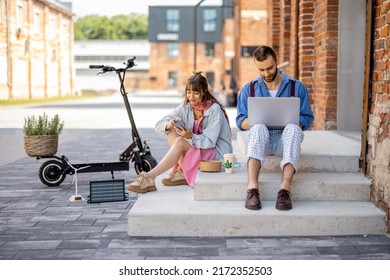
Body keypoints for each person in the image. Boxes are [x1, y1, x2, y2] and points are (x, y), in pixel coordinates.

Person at [236, 45, 314, 211]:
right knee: (257, 128)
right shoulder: (248, 89)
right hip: (260, 142)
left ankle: (284, 190)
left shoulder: (297, 87)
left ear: (277, 62)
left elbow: (307, 117)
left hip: (285, 141)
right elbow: (240, 121)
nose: (266, 74)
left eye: (270, 68)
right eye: (261, 70)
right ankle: (252, 190)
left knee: (293, 129)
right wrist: (254, 121)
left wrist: (294, 122)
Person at [128, 72, 233, 193]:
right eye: (188, 92)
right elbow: (159, 125)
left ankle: (149, 177)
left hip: (216, 152)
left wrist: (191, 136)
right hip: (199, 148)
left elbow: (210, 142)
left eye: (195, 93)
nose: (191, 97)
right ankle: (183, 171)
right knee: (171, 130)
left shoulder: (214, 109)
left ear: (204, 91)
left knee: (180, 142)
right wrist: (168, 124)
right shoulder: (186, 107)